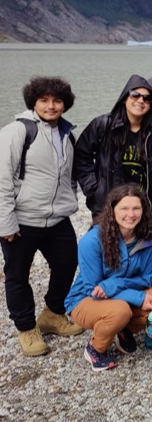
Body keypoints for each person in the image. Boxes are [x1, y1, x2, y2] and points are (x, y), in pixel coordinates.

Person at [0, 77, 83, 356]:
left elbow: (69, 176)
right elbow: (2, 180)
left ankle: (52, 314)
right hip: (23, 219)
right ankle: (26, 328)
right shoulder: (17, 131)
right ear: (33, 102)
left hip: (58, 218)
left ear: (65, 104)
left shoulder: (67, 134)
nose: (51, 106)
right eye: (44, 100)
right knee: (17, 275)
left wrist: (70, 202)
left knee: (68, 263)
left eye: (57, 100)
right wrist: (5, 222)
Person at [65, 184, 152, 371]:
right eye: (124, 208)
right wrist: (137, 297)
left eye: (136, 208)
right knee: (120, 311)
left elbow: (147, 279)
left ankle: (122, 330)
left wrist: (115, 284)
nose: (130, 214)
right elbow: (95, 288)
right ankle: (95, 349)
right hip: (85, 298)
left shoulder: (149, 239)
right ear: (112, 210)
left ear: (143, 210)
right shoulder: (91, 241)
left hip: (119, 291)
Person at [74, 75, 152, 220]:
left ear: (151, 104)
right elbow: (81, 155)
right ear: (125, 98)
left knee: (143, 243)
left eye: (146, 98)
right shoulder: (103, 125)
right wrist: (94, 189)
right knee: (107, 242)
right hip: (108, 204)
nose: (140, 101)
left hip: (143, 205)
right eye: (135, 95)